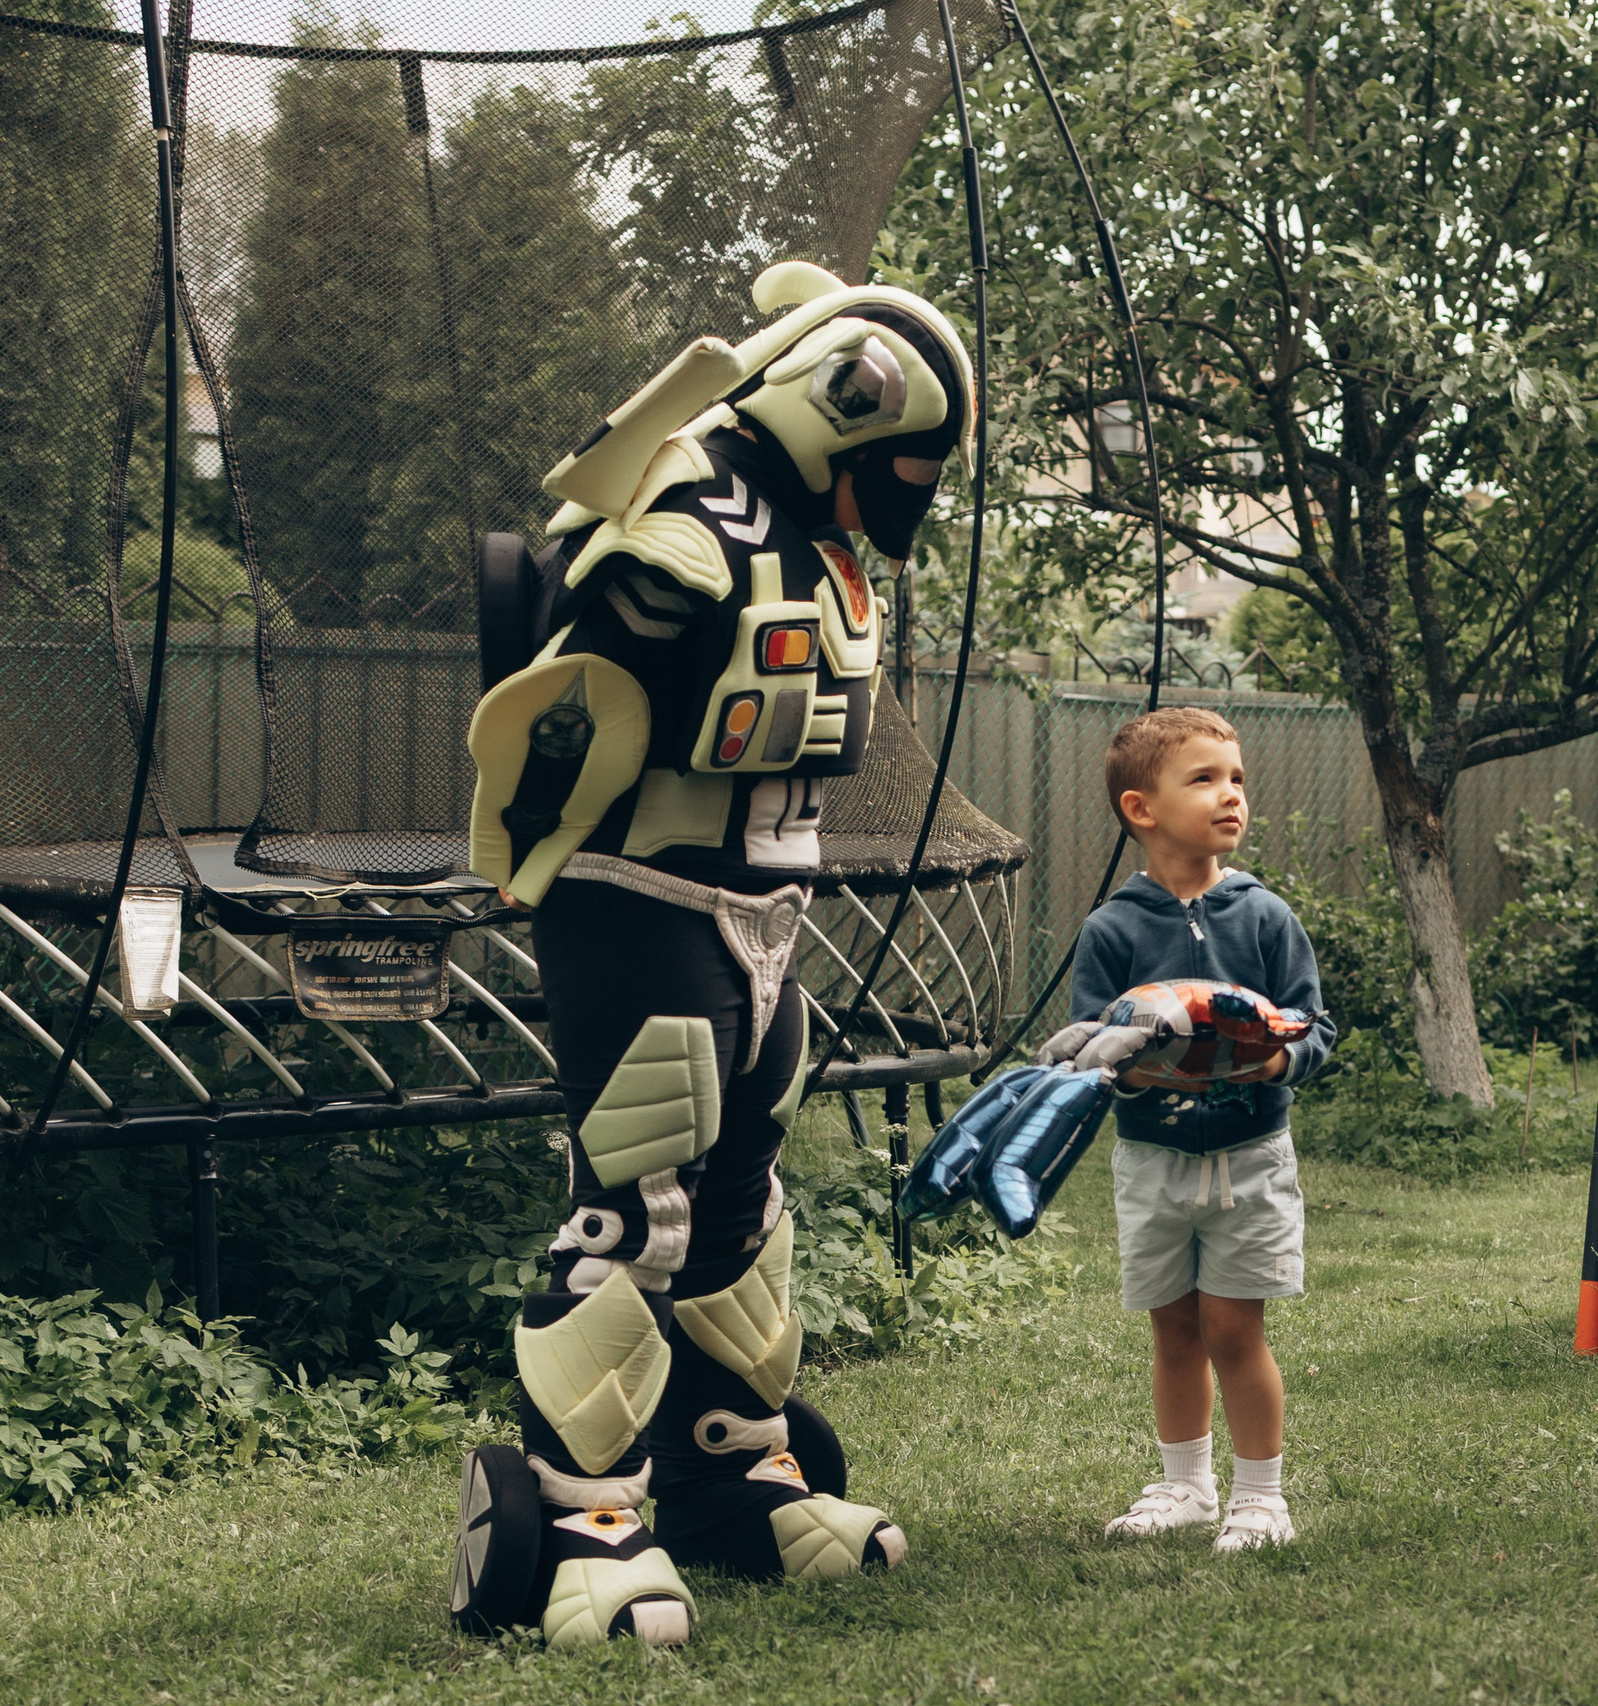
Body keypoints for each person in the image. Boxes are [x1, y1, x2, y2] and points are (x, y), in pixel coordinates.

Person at [450, 260, 973, 1648]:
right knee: (639, 1205)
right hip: (641, 892)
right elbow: (571, 690)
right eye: (895, 461)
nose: (901, 494)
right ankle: (591, 1519)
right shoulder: (681, 518)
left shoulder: (820, 549)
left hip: (767, 906)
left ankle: (736, 1472)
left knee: (741, 1202)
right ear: (838, 401)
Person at [1066, 707, 1334, 1554]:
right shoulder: (1112, 929)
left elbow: (1314, 1025)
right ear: (1142, 809)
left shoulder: (1264, 917)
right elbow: (1087, 1048)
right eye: (1206, 779)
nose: (1232, 795)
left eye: (1238, 779)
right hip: (1152, 1162)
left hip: (1249, 1158)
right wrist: (1129, 1063)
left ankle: (1261, 1500)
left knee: (1233, 1329)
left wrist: (1276, 1060)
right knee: (1173, 1328)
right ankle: (1185, 1485)